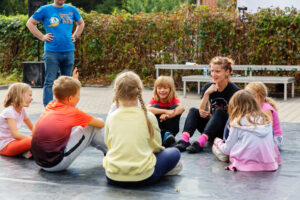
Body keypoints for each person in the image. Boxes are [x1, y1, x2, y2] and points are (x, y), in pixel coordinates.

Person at [103, 71, 181, 187]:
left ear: (116, 93)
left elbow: (109, 144)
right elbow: (156, 146)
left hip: (112, 177)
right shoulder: (149, 116)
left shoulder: (111, 117)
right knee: (174, 152)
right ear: (140, 90)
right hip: (144, 177)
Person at [31, 75, 107, 172]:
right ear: (70, 99)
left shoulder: (51, 105)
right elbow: (101, 124)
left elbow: (68, 106)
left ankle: (106, 150)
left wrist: (73, 84)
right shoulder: (73, 113)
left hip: (39, 161)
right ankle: (111, 153)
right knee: (91, 126)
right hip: (55, 163)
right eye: (78, 95)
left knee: (81, 124)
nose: (79, 98)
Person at [175, 56, 240, 153]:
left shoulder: (235, 91)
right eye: (212, 71)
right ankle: (184, 140)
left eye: (217, 71)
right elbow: (203, 111)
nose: (213, 74)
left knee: (219, 111)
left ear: (227, 72)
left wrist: (215, 116)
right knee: (193, 111)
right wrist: (206, 94)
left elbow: (235, 117)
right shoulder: (208, 87)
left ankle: (200, 142)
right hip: (210, 129)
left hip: (225, 131)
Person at [26, 0, 85, 107]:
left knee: (67, 83)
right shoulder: (45, 9)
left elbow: (81, 23)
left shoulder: (72, 9)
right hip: (51, 52)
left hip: (68, 51)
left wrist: (75, 36)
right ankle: (49, 109)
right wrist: (42, 37)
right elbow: (30, 23)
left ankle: (66, 107)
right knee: (49, 82)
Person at [212, 90, 281, 171]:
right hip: (270, 165)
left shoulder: (237, 123)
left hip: (246, 166)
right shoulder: (266, 120)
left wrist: (218, 142)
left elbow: (227, 149)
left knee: (217, 146)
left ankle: (224, 155)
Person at [147, 76, 185, 147]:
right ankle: (160, 137)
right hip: (159, 129)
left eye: (165, 88)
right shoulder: (154, 99)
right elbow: (147, 109)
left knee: (175, 108)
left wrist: (168, 115)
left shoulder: (173, 99)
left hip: (170, 129)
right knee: (154, 107)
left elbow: (182, 108)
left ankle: (168, 135)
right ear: (156, 89)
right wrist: (166, 112)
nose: (162, 90)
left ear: (170, 89)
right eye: (159, 88)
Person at [0, 83, 34, 158]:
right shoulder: (9, 112)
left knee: (37, 136)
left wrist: (42, 137)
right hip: (5, 145)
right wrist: (35, 140)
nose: (32, 98)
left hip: (14, 141)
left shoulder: (22, 110)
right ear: (20, 96)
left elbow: (33, 128)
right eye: (29, 95)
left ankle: (26, 151)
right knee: (30, 141)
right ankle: (28, 151)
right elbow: (15, 134)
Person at [245, 82, 283, 148]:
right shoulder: (253, 107)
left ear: (255, 96)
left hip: (274, 138)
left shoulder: (266, 109)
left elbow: (268, 128)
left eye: (247, 96)